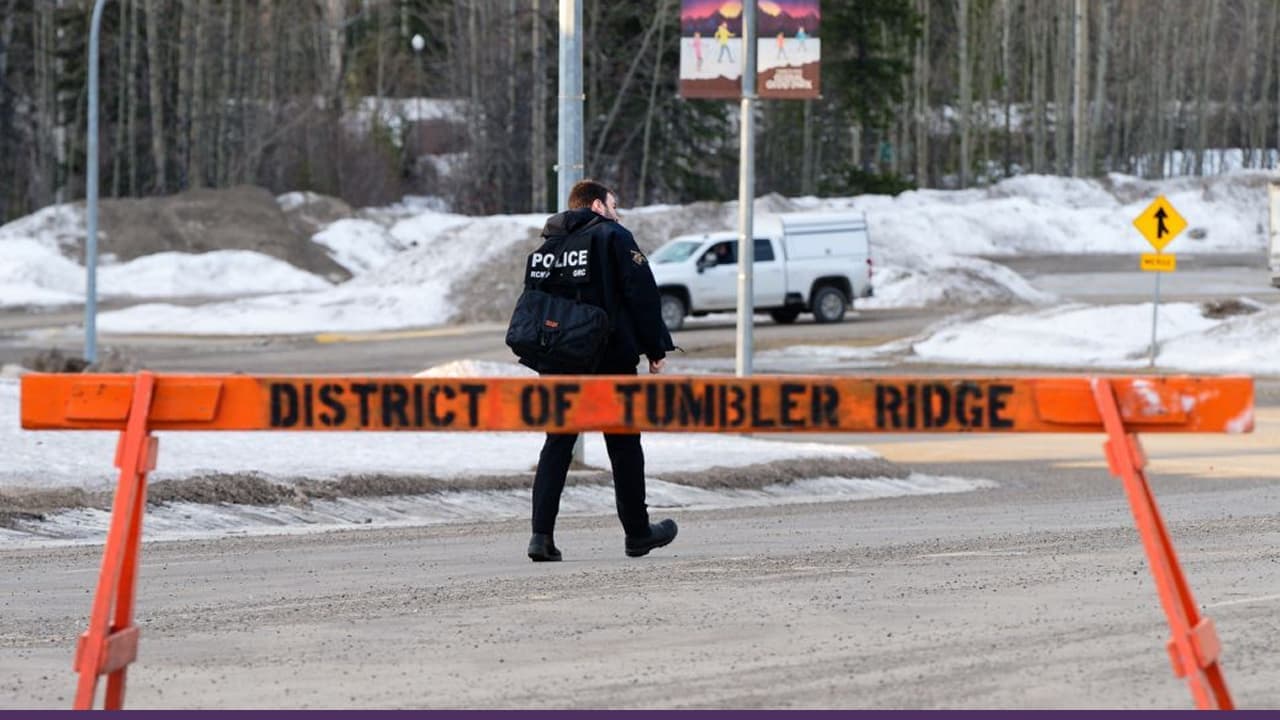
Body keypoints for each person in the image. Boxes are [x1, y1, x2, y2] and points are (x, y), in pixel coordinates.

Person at [522, 179, 678, 562]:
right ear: (596, 206)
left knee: (558, 443)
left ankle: (541, 537)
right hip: (608, 358)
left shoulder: (548, 246)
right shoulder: (613, 236)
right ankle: (637, 533)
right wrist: (655, 347)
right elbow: (641, 292)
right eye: (613, 203)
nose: (616, 210)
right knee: (624, 445)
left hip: (558, 360)